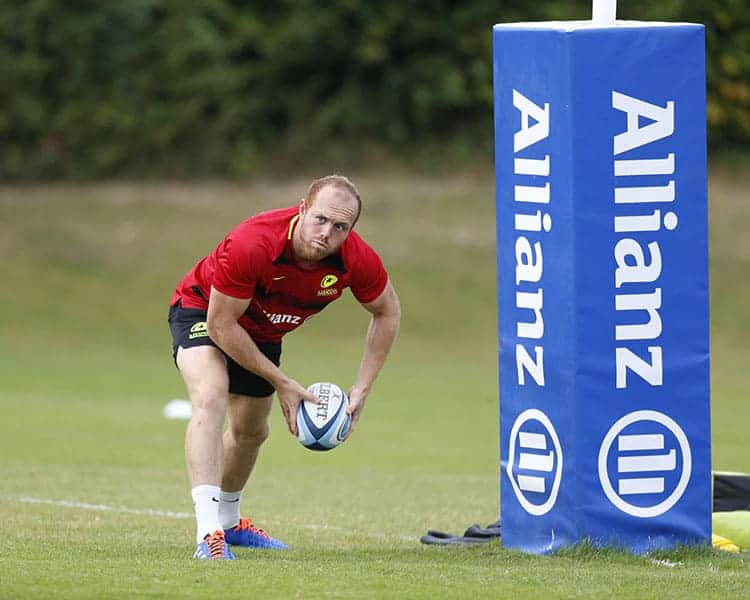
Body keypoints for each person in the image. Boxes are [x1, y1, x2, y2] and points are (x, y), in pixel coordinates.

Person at [167, 175, 401, 560]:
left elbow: (387, 311)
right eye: (321, 219)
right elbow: (220, 325)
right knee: (210, 396)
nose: (327, 233)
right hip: (204, 309)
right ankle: (209, 535)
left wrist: (361, 388)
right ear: (303, 208)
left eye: (340, 227)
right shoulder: (253, 243)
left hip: (262, 330)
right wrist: (282, 382)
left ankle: (229, 522)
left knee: (252, 432)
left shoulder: (356, 260)